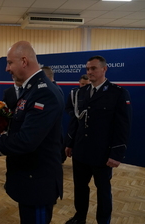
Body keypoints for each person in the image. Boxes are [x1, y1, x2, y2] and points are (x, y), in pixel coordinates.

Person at [0, 41, 64, 224]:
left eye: (10, 63)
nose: (7, 68)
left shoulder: (43, 93)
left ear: (24, 61)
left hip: (37, 184)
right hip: (29, 180)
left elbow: (27, 140)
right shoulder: (31, 90)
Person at [64, 56, 132, 224]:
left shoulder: (118, 93)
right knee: (80, 188)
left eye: (93, 68)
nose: (89, 72)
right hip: (80, 150)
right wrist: (69, 143)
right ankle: (80, 217)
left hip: (102, 153)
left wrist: (117, 154)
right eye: (87, 69)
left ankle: (103, 221)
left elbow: (123, 126)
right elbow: (76, 120)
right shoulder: (81, 92)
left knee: (103, 190)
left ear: (104, 69)